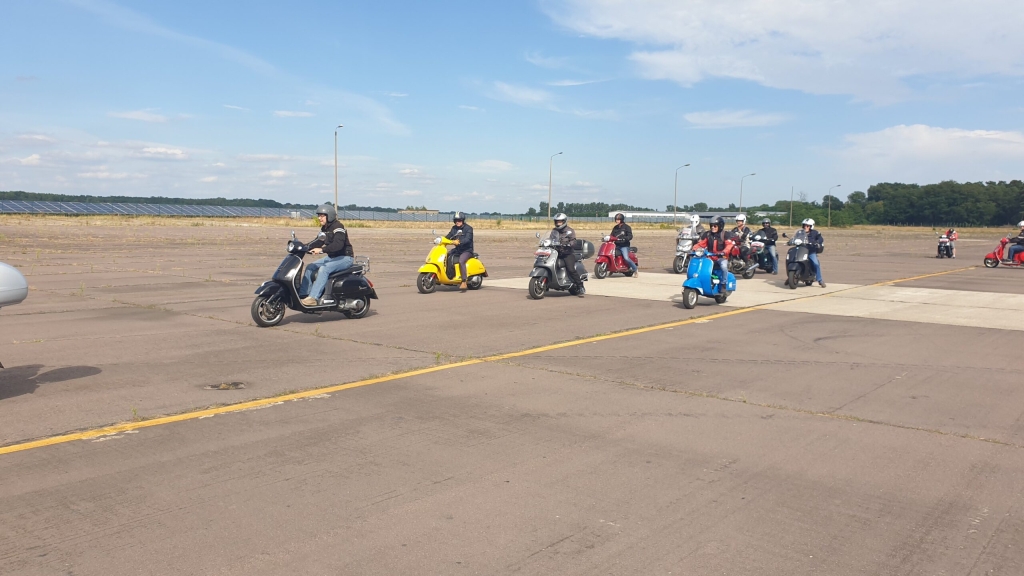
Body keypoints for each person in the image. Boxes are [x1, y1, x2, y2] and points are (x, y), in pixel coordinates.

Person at [299, 204, 354, 306]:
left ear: (330, 216)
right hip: (332, 257)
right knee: (310, 267)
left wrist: (321, 250)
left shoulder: (338, 227)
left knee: (324, 269)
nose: (319, 218)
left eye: (322, 216)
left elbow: (338, 245)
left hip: (345, 258)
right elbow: (318, 241)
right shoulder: (325, 228)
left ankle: (313, 298)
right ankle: (304, 294)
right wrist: (303, 247)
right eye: (319, 215)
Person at [550, 212, 585, 296]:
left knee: (571, 269)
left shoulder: (570, 230)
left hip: (567, 253)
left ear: (564, 221)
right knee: (550, 265)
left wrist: (569, 244)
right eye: (557, 221)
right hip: (556, 252)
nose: (558, 223)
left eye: (560, 221)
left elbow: (573, 240)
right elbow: (550, 238)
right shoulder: (554, 231)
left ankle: (580, 286)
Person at [694, 216, 736, 281]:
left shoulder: (725, 235)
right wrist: (694, 249)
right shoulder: (708, 234)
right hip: (710, 257)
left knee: (724, 267)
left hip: (721, 257)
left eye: (715, 226)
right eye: (711, 226)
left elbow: (729, 245)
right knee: (700, 266)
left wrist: (724, 252)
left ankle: (724, 283)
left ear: (720, 226)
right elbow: (701, 244)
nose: (713, 227)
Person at [445, 211, 474, 290]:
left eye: (459, 220)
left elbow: (468, 239)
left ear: (463, 220)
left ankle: (464, 281)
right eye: (456, 220)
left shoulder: (469, 229)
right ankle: (449, 275)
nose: (457, 222)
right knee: (445, 255)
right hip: (457, 249)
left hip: (467, 250)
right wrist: (441, 239)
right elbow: (448, 236)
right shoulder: (454, 228)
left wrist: (459, 242)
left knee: (461, 260)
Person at [799, 218, 826, 287]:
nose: (805, 227)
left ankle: (820, 280)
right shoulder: (800, 232)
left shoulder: (815, 233)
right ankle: (791, 276)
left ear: (811, 226)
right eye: (804, 225)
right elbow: (795, 238)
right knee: (793, 259)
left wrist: (816, 242)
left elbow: (821, 239)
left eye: (807, 226)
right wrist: (791, 241)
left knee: (816, 264)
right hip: (801, 250)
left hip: (810, 251)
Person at [611, 213, 638, 277]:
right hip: (616, 245)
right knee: (611, 255)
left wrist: (625, 239)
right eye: (616, 220)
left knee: (626, 258)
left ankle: (635, 269)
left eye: (618, 220)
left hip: (624, 246)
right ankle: (611, 269)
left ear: (621, 220)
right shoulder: (615, 228)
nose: (617, 221)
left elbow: (630, 236)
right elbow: (611, 235)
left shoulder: (627, 227)